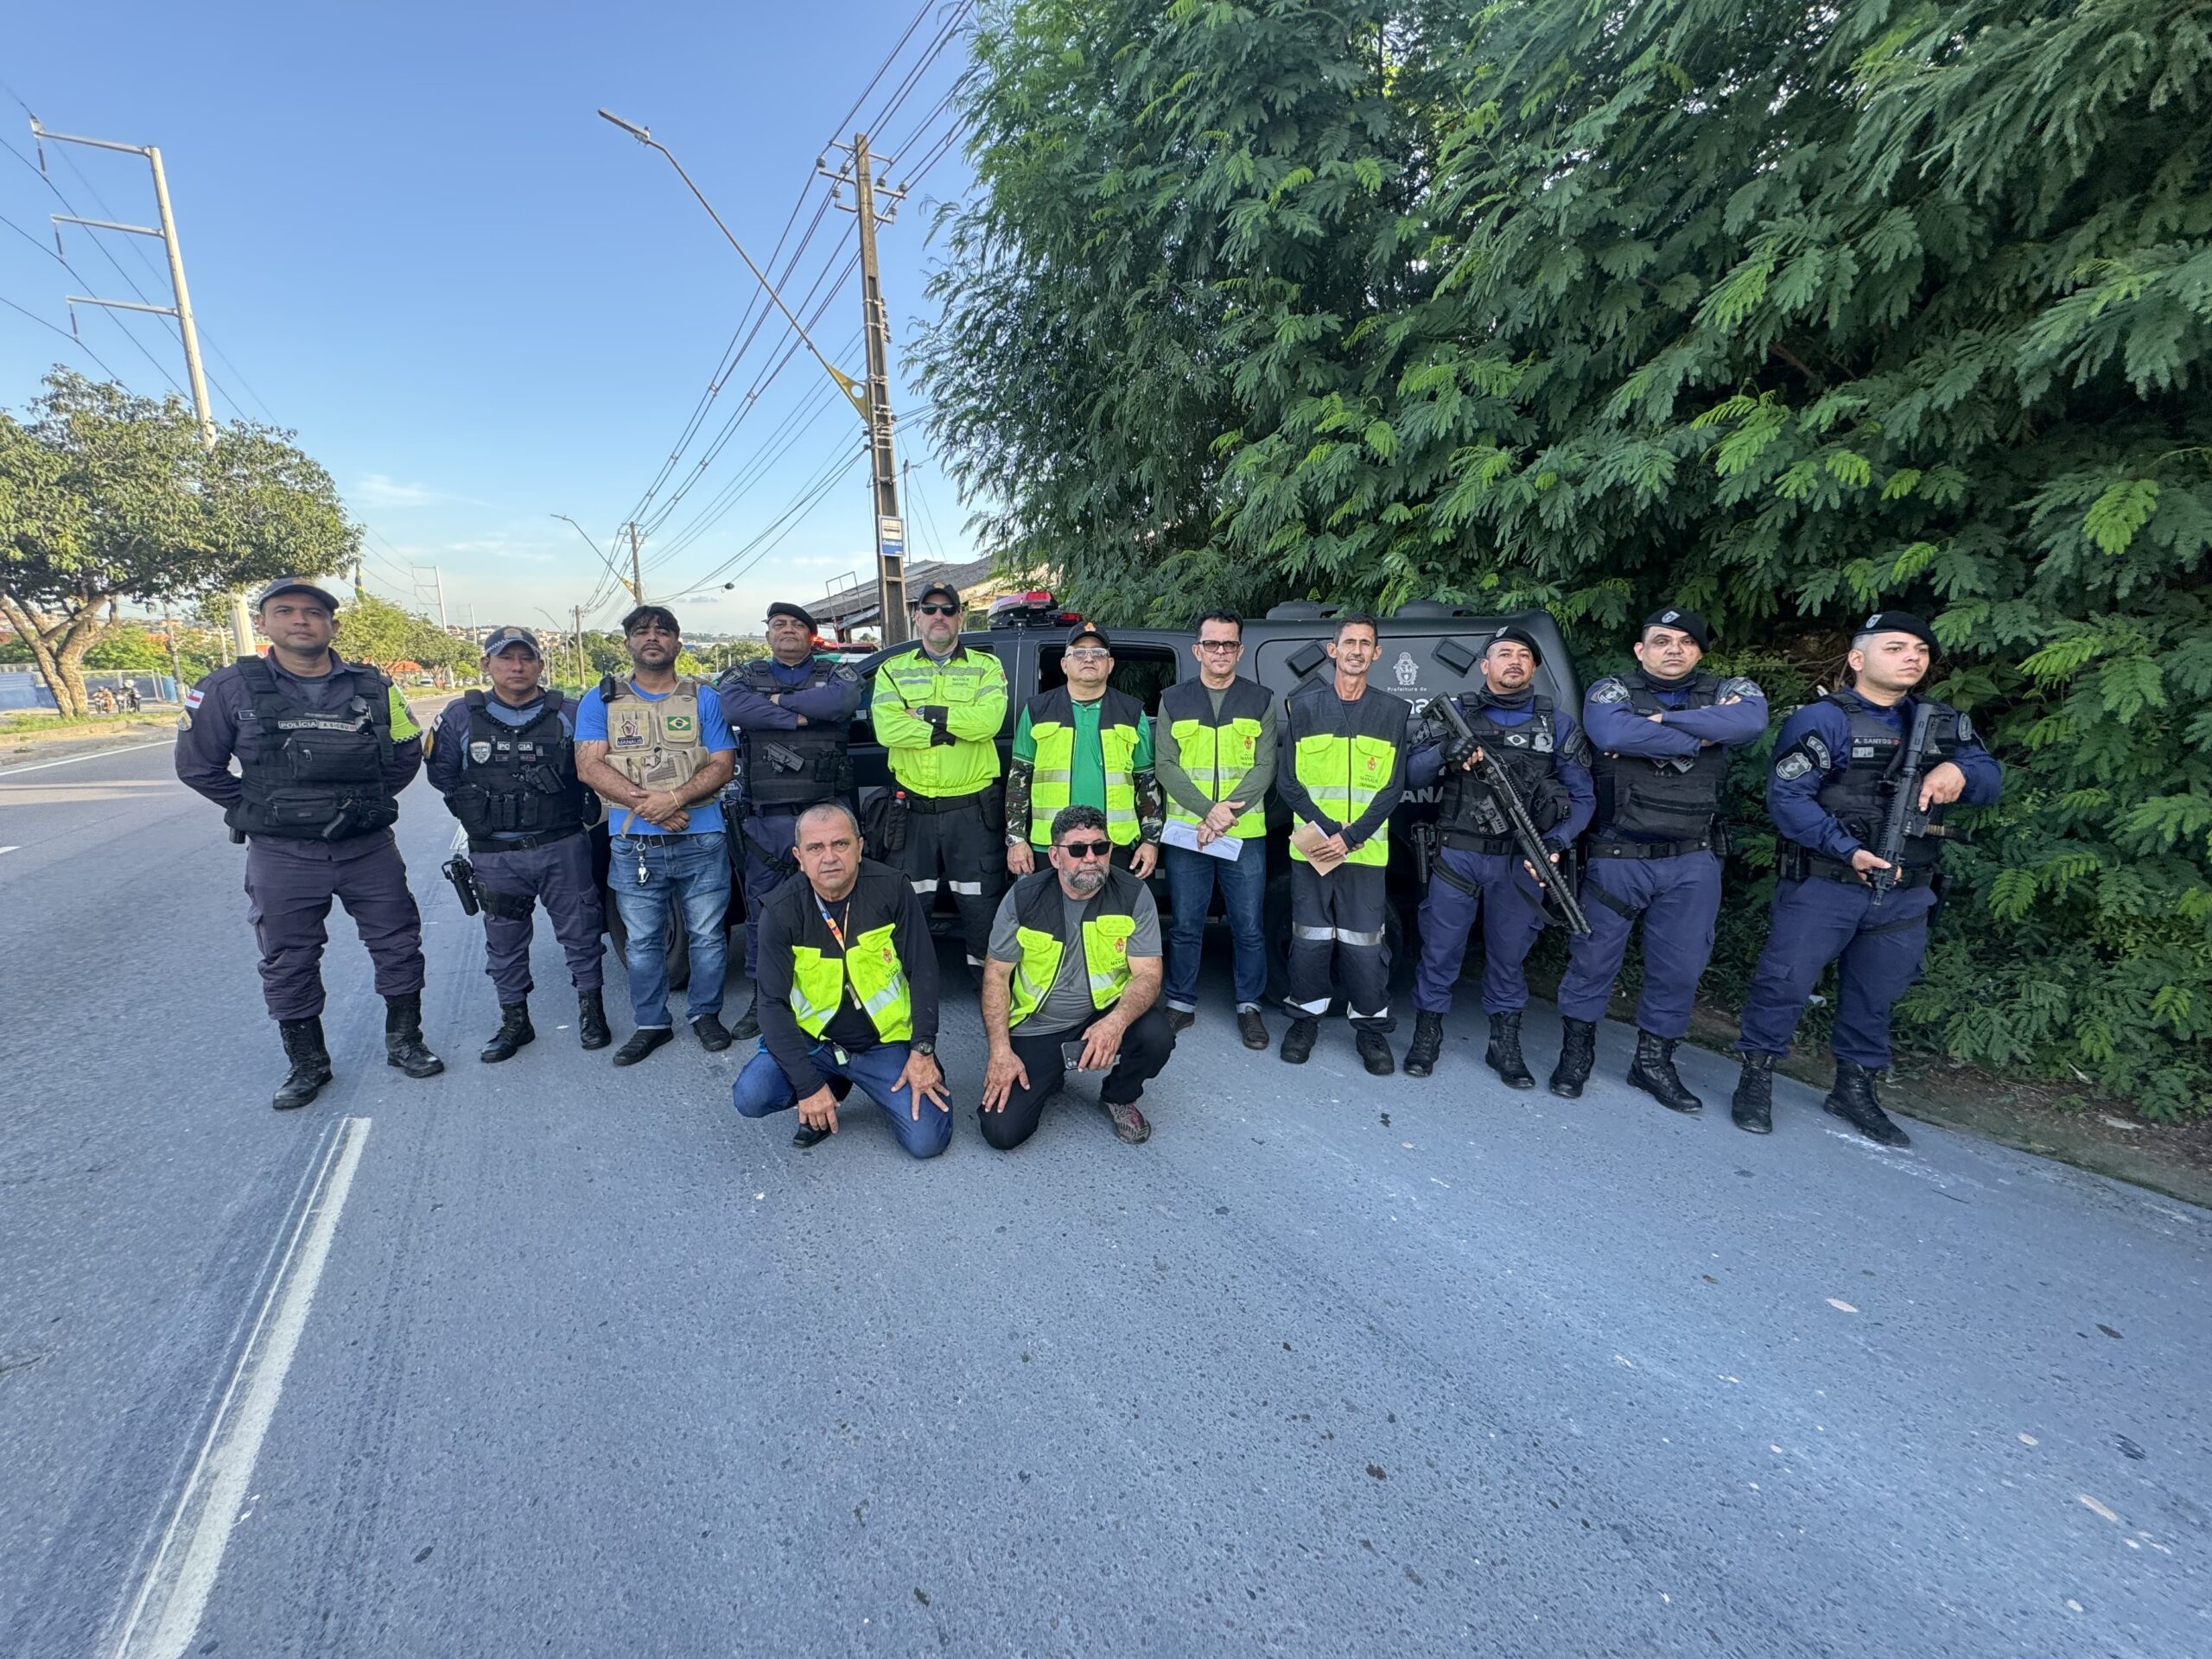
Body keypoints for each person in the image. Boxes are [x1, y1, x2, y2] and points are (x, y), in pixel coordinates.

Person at [1731, 612, 2002, 1145]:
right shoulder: (1824, 719)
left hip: (1905, 889)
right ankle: (1755, 1077)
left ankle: (1854, 1090)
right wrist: (1847, 849)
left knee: (1876, 993)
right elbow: (1788, 798)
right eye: (1896, 647)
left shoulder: (1942, 721)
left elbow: (1991, 777)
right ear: (1858, 659)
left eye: (1920, 651)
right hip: (1827, 882)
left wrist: (1961, 771)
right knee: (1784, 982)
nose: (1912, 657)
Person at [175, 576, 442, 1109]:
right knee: (288, 957)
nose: (301, 620)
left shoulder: (375, 686)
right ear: (265, 623)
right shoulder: (228, 687)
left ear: (332, 625)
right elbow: (198, 766)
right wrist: (263, 810)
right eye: (286, 611)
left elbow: (407, 750)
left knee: (397, 943)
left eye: (314, 613)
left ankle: (405, 1042)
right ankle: (306, 1064)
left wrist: (357, 808)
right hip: (283, 854)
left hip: (366, 847)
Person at [1548, 609, 1767, 1109]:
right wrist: (1709, 732)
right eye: (1662, 640)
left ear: (1700, 652)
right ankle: (1575, 1054)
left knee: (1680, 969)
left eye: (1687, 642)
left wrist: (1665, 721)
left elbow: (1750, 722)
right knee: (1593, 960)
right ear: (1640, 649)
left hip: (1693, 858)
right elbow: (1614, 735)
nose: (1674, 648)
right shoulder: (1613, 692)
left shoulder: (1729, 688)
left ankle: (1652, 1065)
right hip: (1619, 855)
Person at [1402, 625, 1594, 1088]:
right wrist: (1449, 753)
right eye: (1503, 653)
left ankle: (1503, 1045)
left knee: (1510, 957)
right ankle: (1426, 1037)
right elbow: (1410, 774)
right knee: (1440, 952)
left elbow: (1583, 798)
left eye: (1523, 655)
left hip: (1521, 860)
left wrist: (1556, 843)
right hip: (1458, 856)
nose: (1514, 661)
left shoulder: (1557, 724)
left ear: (1533, 668)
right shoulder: (1457, 715)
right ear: (1485, 665)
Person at [426, 626, 608, 1062]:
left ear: (540, 665)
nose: (516, 666)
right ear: (487, 665)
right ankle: (515, 1021)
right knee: (504, 941)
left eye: (526, 658)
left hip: (561, 843)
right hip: (496, 854)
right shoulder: (457, 716)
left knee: (581, 932)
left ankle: (592, 1012)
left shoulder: (569, 710)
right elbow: (442, 775)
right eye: (505, 658)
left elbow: (595, 763)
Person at [732, 802, 951, 1158]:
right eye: (815, 848)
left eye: (841, 844)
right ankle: (830, 1082)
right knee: (751, 1095)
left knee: (926, 1142)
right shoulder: (781, 909)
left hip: (883, 1043)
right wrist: (807, 1086)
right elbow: (772, 1004)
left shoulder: (892, 888)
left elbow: (923, 970)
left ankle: (865, 1078)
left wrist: (923, 1050)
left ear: (860, 847)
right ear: (798, 856)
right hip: (817, 1045)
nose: (829, 857)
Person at [574, 604, 737, 1065]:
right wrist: (652, 805)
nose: (652, 638)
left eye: (662, 632)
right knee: (643, 940)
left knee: (707, 935)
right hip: (633, 840)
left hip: (702, 837)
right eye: (641, 631)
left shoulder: (703, 698)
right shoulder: (600, 700)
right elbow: (589, 765)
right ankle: (652, 1024)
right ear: (627, 643)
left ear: (677, 644)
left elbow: (723, 764)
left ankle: (706, 1015)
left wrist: (675, 799)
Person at [979, 804, 1176, 1148]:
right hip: (1038, 1024)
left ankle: (1119, 1095)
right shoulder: (1023, 898)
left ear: (1110, 850)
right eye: (1077, 849)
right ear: (1055, 856)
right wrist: (1000, 1052)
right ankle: (1051, 1070)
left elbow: (1148, 976)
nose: (1090, 858)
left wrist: (1114, 1025)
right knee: (1002, 1132)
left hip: (1103, 1013)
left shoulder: (1132, 894)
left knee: (1157, 1035)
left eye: (1100, 848)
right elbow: (996, 976)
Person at [716, 601, 863, 1040]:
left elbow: (842, 700)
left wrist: (778, 703)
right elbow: (736, 709)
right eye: (778, 624)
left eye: (797, 625)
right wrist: (803, 715)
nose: (787, 630)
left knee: (841, 908)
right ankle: (765, 1000)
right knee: (766, 913)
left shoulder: (835, 672)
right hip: (769, 822)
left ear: (810, 636)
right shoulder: (744, 676)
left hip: (827, 814)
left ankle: (840, 994)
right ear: (768, 634)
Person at [1276, 614, 1409, 1074]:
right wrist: (1330, 830)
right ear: (1332, 651)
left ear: (1376, 654)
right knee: (1309, 942)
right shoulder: (1304, 707)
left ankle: (1371, 1031)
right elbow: (1289, 783)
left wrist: (1350, 837)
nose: (1356, 650)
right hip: (1312, 851)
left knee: (1365, 947)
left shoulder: (1393, 712)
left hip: (1364, 853)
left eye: (1365, 643)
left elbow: (1394, 788)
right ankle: (1305, 1020)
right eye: (1348, 642)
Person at [870, 581, 1009, 970]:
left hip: (972, 812)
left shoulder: (987, 666)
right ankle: (912, 996)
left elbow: (987, 723)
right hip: (911, 811)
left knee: (982, 907)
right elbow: (887, 730)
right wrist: (951, 730)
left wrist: (928, 714)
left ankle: (989, 995)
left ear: (960, 617)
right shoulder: (892, 670)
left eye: (948, 610)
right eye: (930, 609)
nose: (939, 616)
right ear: (917, 616)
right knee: (908, 909)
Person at [1155, 610, 1276, 1049]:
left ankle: (1250, 1007)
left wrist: (1226, 817)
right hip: (1189, 833)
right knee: (1186, 923)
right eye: (1212, 644)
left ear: (1240, 650)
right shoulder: (1173, 698)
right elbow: (1165, 766)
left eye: (1228, 644)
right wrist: (1209, 812)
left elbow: (1266, 765)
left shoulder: (1261, 699)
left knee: (1248, 926)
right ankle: (1180, 1003)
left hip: (1244, 832)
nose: (1220, 651)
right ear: (1197, 650)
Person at [1005, 623, 1163, 878]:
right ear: (1065, 664)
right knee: (1049, 918)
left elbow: (1146, 783)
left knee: (1113, 918)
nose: (1089, 658)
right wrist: (1015, 839)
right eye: (1079, 652)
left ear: (1110, 664)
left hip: (1115, 845)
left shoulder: (1132, 712)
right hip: (1052, 848)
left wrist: (1151, 840)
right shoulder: (1037, 710)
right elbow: (1018, 780)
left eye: (1098, 653)